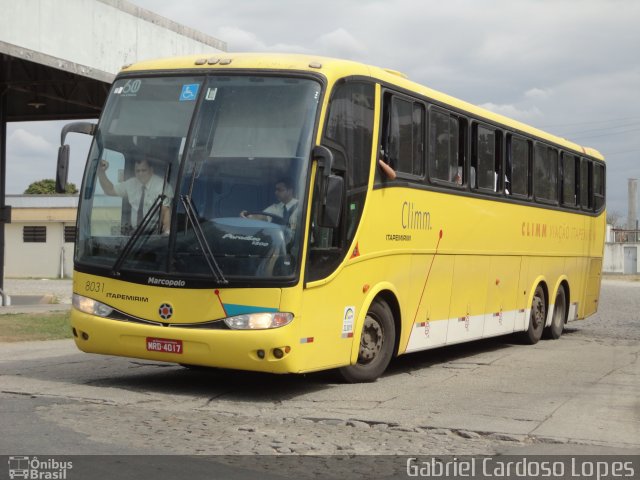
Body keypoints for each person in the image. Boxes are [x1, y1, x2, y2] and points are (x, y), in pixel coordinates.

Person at [97, 157, 173, 234]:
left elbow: (166, 213)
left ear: (151, 170)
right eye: (138, 171)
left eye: (144, 170)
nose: (140, 174)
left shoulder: (162, 187)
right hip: (134, 235)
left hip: (153, 235)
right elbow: (110, 190)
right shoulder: (131, 184)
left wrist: (165, 235)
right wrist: (101, 172)